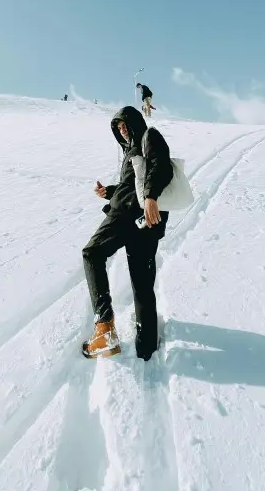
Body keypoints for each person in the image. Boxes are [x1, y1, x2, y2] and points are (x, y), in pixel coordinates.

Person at [82, 105, 173, 361]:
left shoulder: (149, 137)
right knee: (142, 284)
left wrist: (151, 196)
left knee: (92, 253)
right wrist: (110, 192)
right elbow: (131, 185)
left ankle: (104, 331)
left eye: (125, 125)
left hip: (130, 215)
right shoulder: (131, 151)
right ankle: (147, 348)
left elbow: (161, 167)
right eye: (118, 127)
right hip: (143, 220)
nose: (122, 130)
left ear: (135, 122)